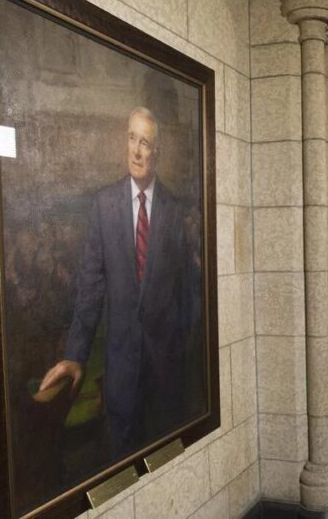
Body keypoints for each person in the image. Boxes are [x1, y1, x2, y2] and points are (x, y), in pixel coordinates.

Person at [39, 107, 199, 457]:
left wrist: (179, 345)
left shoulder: (173, 210)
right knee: (121, 459)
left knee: (166, 460)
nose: (136, 151)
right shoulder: (104, 205)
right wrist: (75, 355)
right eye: (131, 138)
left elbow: (187, 290)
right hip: (121, 373)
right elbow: (90, 288)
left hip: (165, 373)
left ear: (157, 151)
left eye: (145, 142)